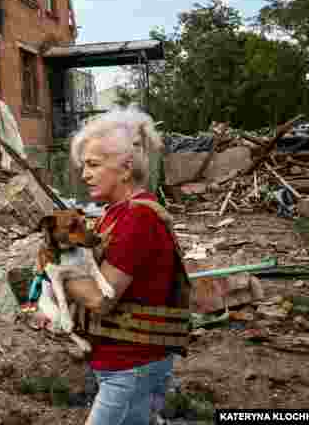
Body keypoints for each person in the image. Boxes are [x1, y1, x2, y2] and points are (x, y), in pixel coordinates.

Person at [60, 106, 188, 425]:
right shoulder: (114, 214)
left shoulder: (138, 218)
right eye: (83, 166)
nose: (84, 174)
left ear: (126, 167)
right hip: (123, 364)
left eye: (93, 165)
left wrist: (56, 271)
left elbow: (100, 300)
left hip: (132, 366)